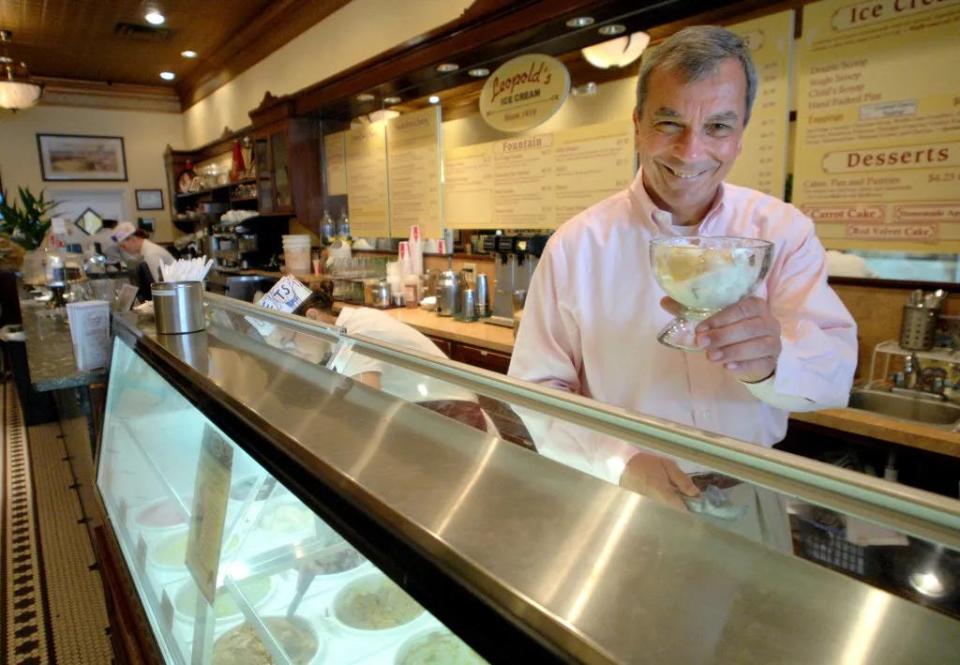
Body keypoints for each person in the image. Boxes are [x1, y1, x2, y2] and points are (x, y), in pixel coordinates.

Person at [508, 26, 857, 523]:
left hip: (752, 492)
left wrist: (773, 361)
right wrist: (621, 460)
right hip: (621, 497)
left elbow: (835, 377)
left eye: (717, 126)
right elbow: (536, 391)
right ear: (637, 125)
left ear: (740, 133)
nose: (690, 152)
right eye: (669, 123)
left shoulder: (782, 231)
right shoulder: (576, 245)